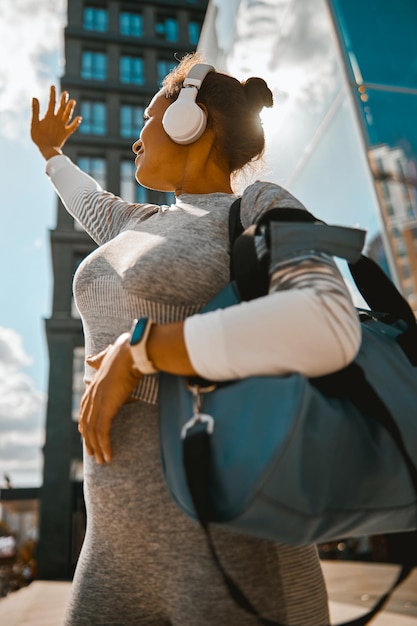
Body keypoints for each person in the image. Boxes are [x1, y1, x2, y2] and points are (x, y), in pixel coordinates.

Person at [31, 53, 361, 626]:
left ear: (190, 119)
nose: (136, 141)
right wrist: (51, 154)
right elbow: (86, 201)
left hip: (234, 552)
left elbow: (328, 319)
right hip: (112, 554)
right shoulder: (139, 222)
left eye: (147, 120)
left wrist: (142, 352)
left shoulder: (257, 207)